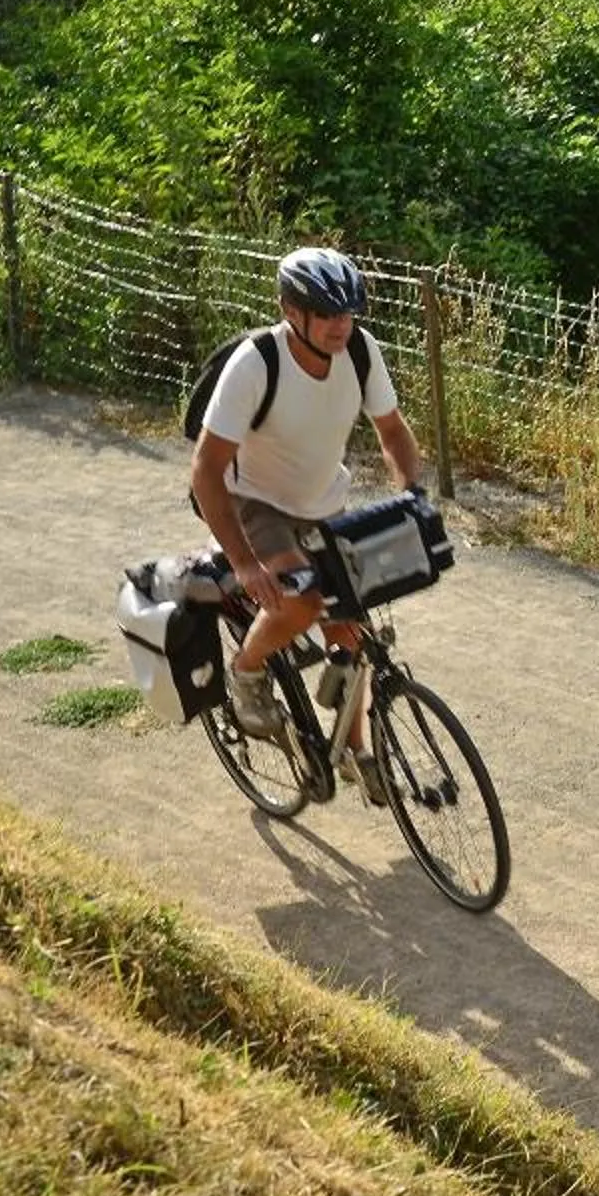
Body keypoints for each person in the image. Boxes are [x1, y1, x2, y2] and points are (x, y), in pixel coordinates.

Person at [189, 247, 426, 791]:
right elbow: (206, 470)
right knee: (303, 599)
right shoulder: (256, 363)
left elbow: (392, 431)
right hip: (256, 502)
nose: (341, 325)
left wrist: (415, 494)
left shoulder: (361, 352)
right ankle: (247, 671)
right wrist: (247, 565)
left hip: (322, 501)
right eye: (327, 313)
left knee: (353, 621)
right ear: (291, 312)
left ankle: (352, 749)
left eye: (347, 313)